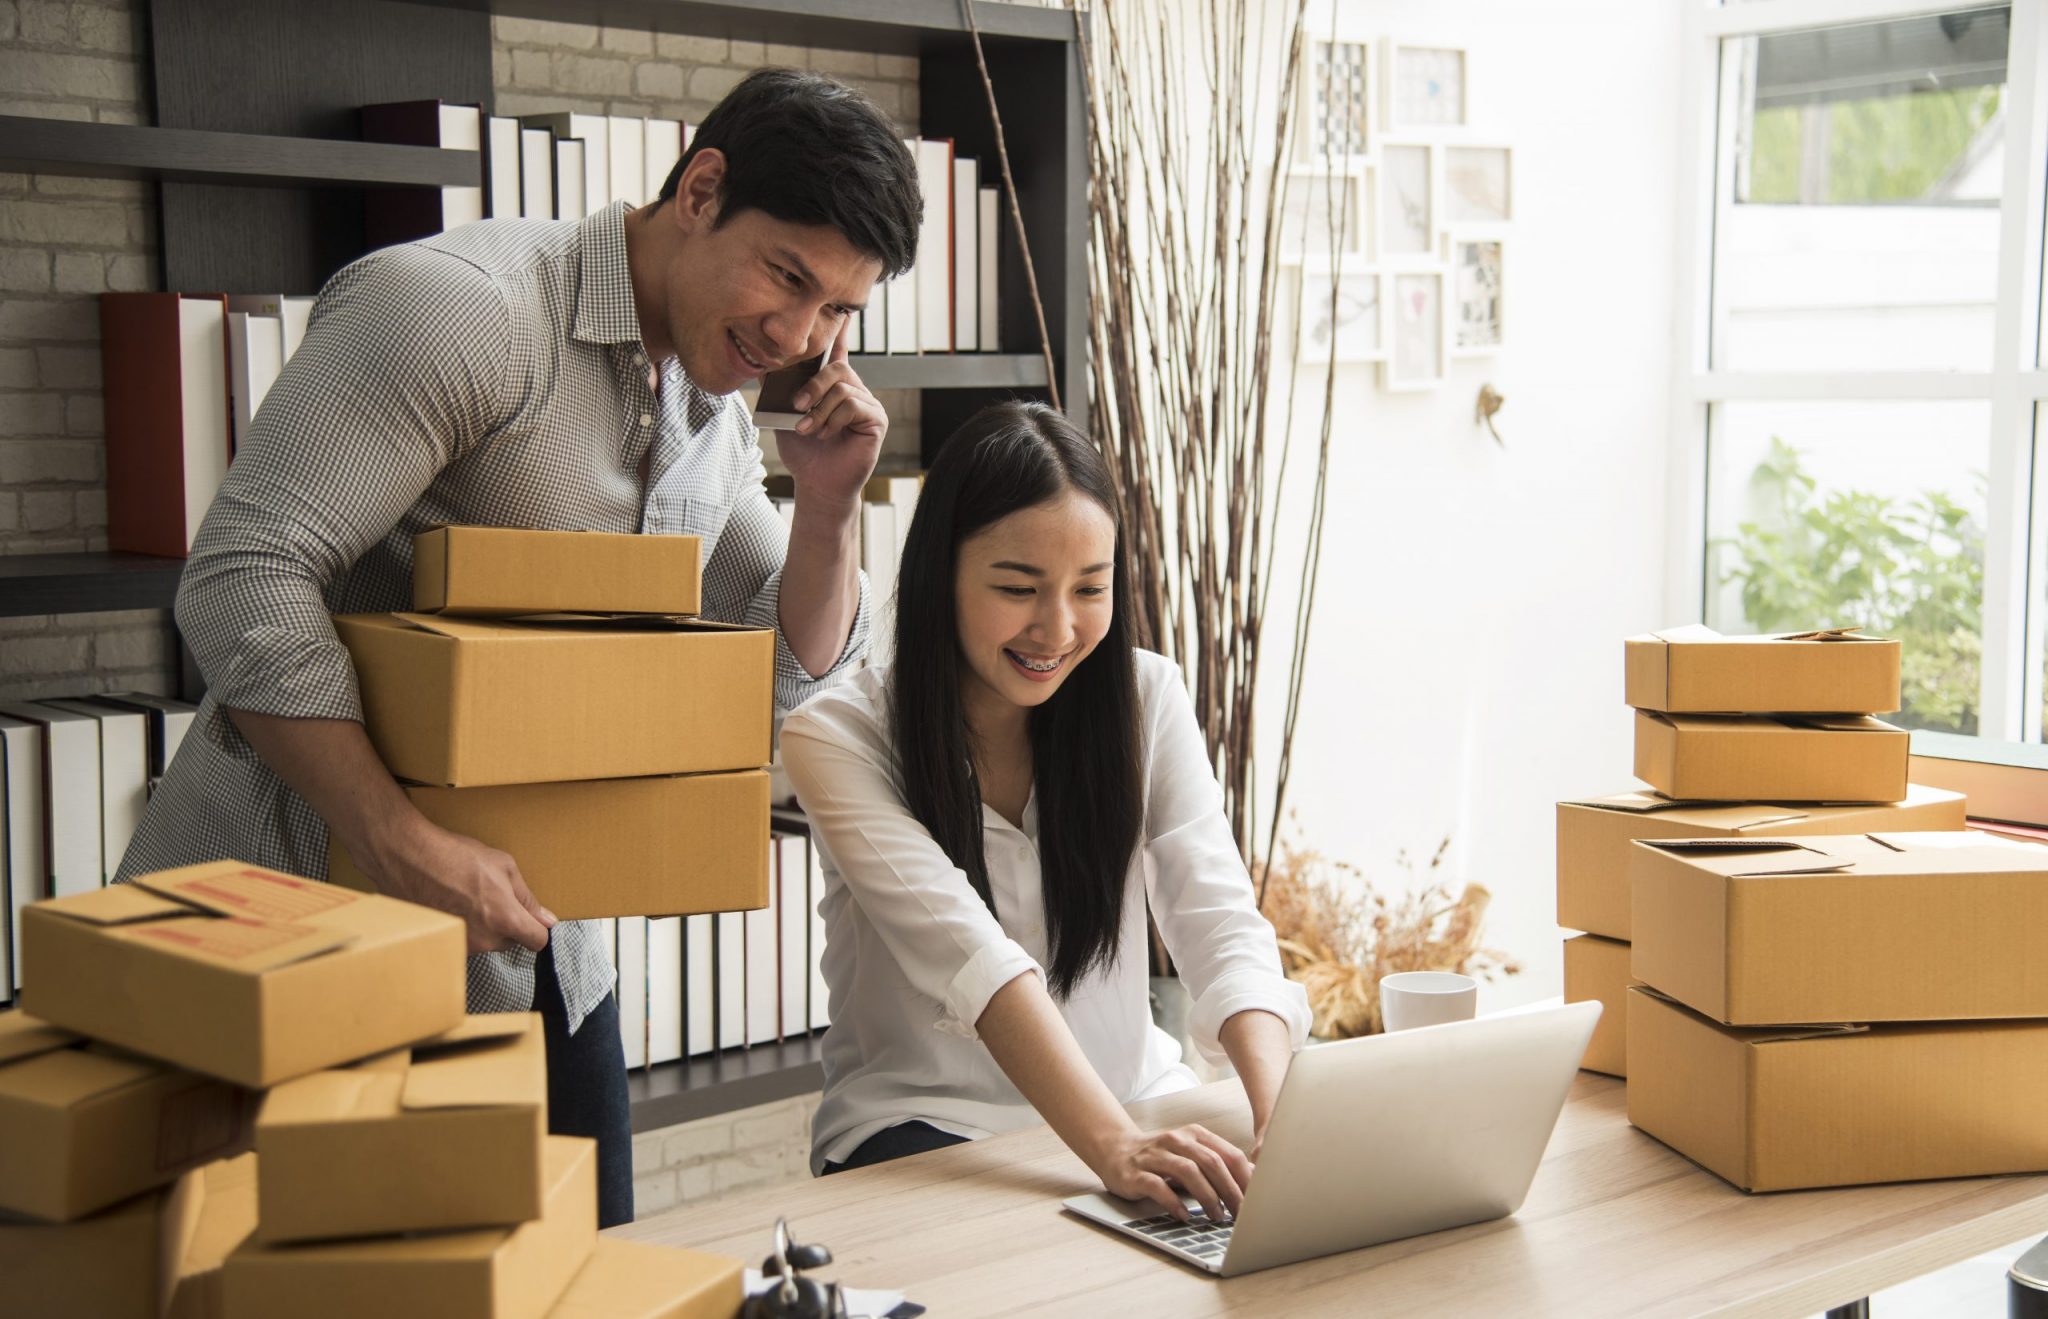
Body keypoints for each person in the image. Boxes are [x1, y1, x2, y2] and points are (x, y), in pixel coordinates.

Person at [113, 68, 923, 1227]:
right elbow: (242, 573)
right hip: (299, 931)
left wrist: (833, 510)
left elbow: (780, 682)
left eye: (839, 310)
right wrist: (400, 838)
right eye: (787, 276)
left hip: (542, 957)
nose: (799, 337)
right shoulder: (461, 310)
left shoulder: (715, 405)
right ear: (700, 189)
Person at [780, 401, 1312, 1223]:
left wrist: (1283, 1117)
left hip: (1139, 1103)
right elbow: (973, 959)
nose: (1057, 628)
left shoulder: (1147, 699)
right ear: (940, 576)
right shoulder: (836, 737)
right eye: (1017, 587)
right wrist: (1113, 1148)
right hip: (929, 1132)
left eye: (1089, 588)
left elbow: (1222, 925)